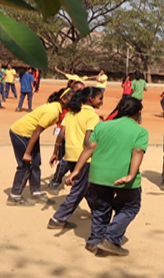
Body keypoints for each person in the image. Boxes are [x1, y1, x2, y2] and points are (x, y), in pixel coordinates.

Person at [67, 97, 148, 256]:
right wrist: (131, 175)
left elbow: (89, 147)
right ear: (138, 113)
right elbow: (137, 152)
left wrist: (76, 170)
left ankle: (94, 241)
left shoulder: (102, 126)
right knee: (131, 206)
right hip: (123, 177)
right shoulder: (140, 131)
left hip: (98, 175)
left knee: (100, 208)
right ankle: (111, 239)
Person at [6, 87, 74, 206]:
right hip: (21, 133)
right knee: (25, 165)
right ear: (63, 100)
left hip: (30, 135)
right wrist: (27, 153)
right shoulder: (52, 111)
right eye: (72, 99)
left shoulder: (57, 109)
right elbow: (37, 132)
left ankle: (35, 193)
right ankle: (14, 196)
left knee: (36, 163)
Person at [47, 87, 103, 229]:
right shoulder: (92, 116)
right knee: (79, 189)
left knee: (87, 187)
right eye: (100, 98)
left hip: (70, 155)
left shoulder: (70, 113)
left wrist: (55, 152)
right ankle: (57, 219)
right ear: (91, 99)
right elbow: (87, 141)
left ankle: (97, 212)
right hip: (84, 158)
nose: (101, 101)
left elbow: (60, 134)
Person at [48, 81, 86, 195]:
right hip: (65, 138)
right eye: (78, 90)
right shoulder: (66, 109)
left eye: (82, 90)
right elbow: (60, 127)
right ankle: (55, 182)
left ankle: (75, 181)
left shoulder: (80, 106)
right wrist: (58, 141)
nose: (80, 92)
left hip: (77, 138)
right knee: (64, 162)